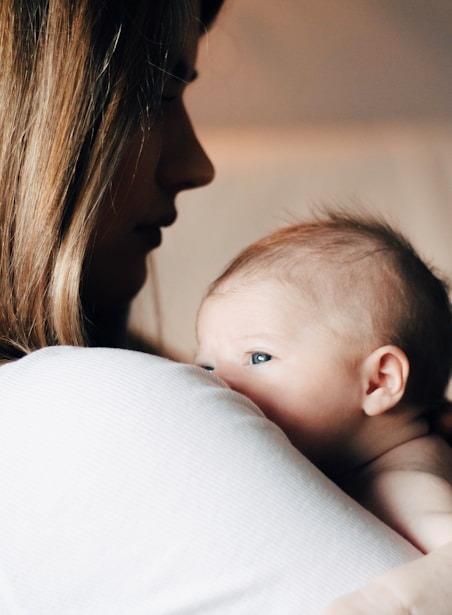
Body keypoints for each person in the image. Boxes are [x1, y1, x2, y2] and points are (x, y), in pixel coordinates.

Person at [0, 1, 443, 612]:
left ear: (382, 380)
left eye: (259, 355)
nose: (199, 165)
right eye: (156, 96)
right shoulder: (84, 409)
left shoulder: (415, 483)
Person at [195, 210, 452, 613]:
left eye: (259, 356)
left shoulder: (403, 483)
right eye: (206, 365)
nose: (216, 381)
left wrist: (391, 602)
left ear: (378, 382)